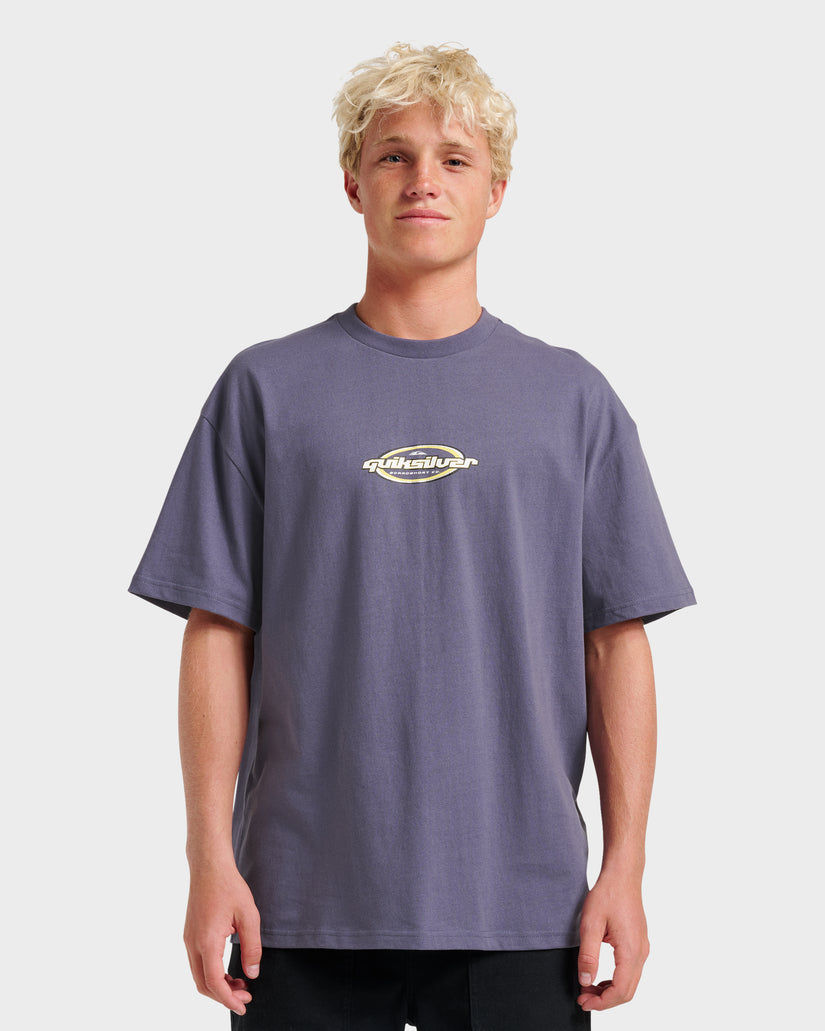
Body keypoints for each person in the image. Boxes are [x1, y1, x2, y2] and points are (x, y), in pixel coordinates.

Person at [129, 42, 696, 1030]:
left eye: (455, 158)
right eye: (393, 155)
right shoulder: (263, 390)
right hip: (299, 902)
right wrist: (207, 858)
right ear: (353, 184)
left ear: (497, 191)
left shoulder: (572, 400)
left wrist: (627, 866)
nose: (423, 179)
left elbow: (616, 639)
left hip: (524, 907)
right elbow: (216, 631)